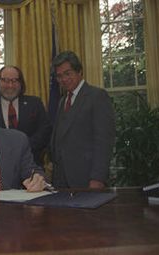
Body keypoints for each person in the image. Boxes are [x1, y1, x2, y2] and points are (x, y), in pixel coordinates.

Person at [50, 51, 115, 189]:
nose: (64, 79)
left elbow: (103, 142)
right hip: (61, 181)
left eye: (68, 73)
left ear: (79, 71)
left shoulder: (97, 96)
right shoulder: (63, 100)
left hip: (86, 180)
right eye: (59, 76)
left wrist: (97, 178)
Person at [0, 66, 51, 166]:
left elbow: (44, 132)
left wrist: (21, 147)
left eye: (15, 80)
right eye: (5, 80)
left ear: (21, 83)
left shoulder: (35, 103)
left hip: (32, 164)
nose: (10, 85)